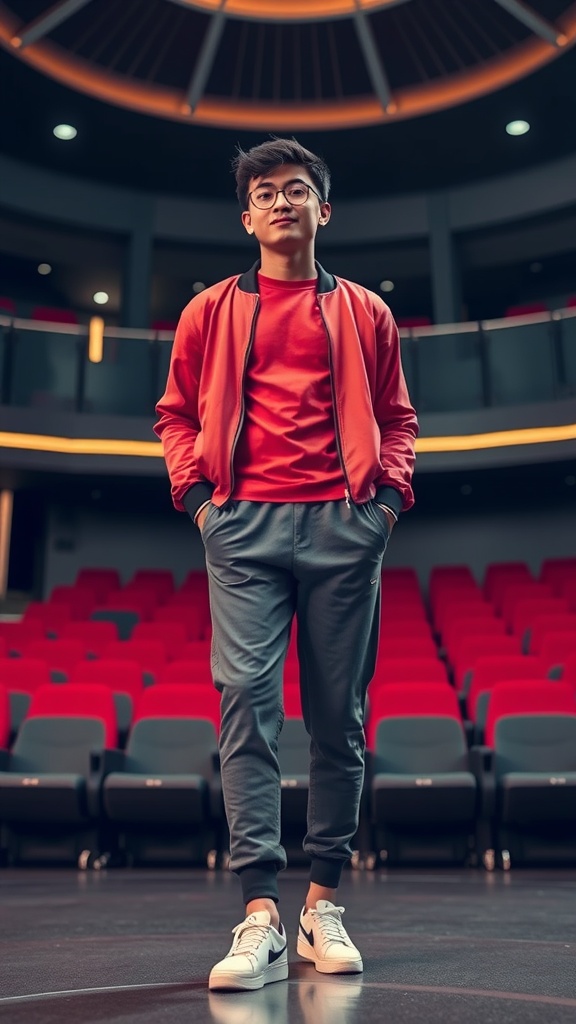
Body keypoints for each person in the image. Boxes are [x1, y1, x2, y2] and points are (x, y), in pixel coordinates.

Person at [154, 137, 418, 992]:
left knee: (338, 717)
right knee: (246, 707)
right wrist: (201, 504)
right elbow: (174, 416)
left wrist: (385, 505)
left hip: (346, 525)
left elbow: (398, 419)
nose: (280, 201)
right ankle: (260, 913)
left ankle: (322, 902)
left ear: (322, 210)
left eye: (296, 189)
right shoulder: (210, 311)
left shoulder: (366, 312)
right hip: (243, 530)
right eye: (264, 191)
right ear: (246, 217)